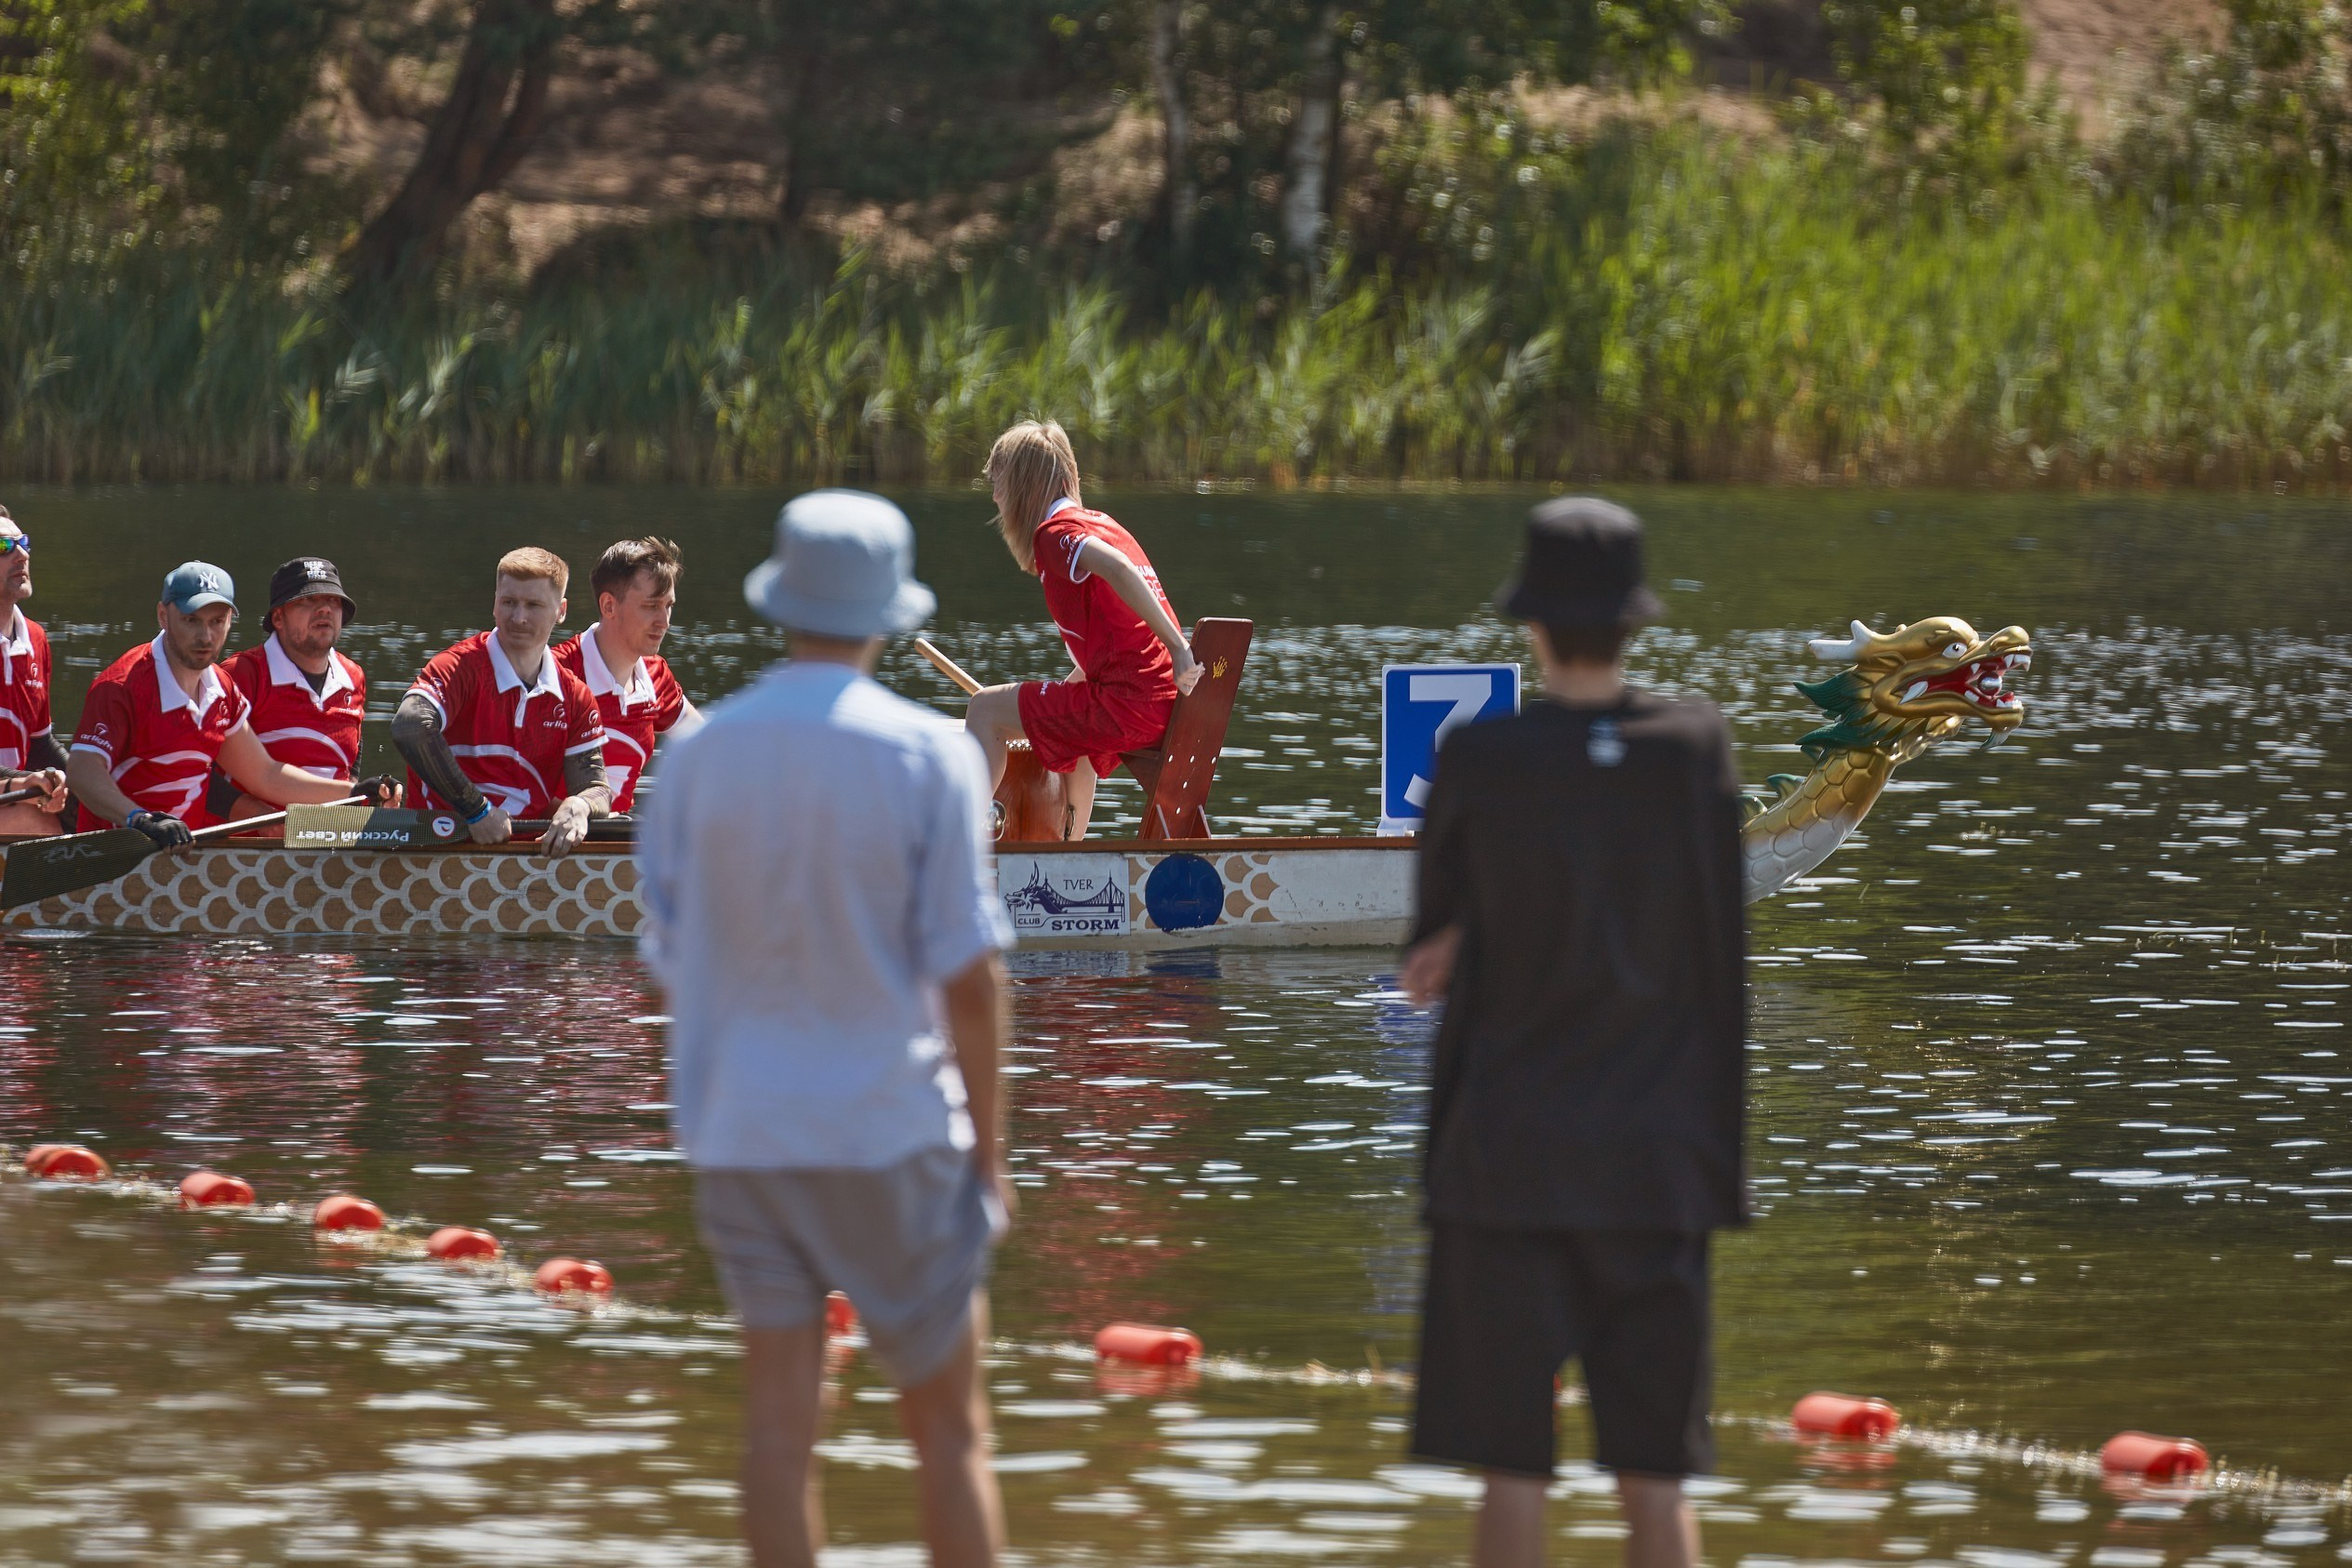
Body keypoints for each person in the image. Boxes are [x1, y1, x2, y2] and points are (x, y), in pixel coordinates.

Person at [639, 490, 1015, 1568]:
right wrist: (991, 1162)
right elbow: (972, 979)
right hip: (891, 1133)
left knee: (776, 1435)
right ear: (891, 615)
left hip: (744, 1137)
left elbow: (670, 966)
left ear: (781, 602)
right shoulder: (931, 755)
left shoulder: (698, 756)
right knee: (950, 1435)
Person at [1398, 498, 1747, 1568]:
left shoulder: (1479, 756)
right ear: (1634, 621)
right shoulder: (1696, 748)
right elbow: (1722, 961)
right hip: (1659, 1167)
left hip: (1504, 1165)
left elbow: (1424, 969)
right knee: (1658, 1481)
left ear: (1533, 625)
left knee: (1511, 1474)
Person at [961, 420, 1201, 840]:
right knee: (1076, 728)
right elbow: (1120, 637)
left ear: (1021, 487)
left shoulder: (1055, 533)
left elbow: (1118, 568)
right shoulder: (1104, 523)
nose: (995, 496)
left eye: (998, 483)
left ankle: (963, 845)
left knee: (984, 710)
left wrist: (1179, 645)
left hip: (1130, 707)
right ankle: (1070, 851)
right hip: (1163, 704)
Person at [66, 563, 379, 846]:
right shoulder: (121, 685)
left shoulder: (222, 689)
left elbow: (265, 775)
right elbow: (82, 771)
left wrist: (356, 793)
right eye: (191, 620)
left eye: (217, 621)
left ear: (230, 621)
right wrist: (139, 819)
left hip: (184, 856)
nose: (205, 636)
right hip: (116, 855)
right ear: (163, 615)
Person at [391, 547, 611, 857]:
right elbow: (410, 726)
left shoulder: (575, 696)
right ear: (495, 603)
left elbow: (596, 788)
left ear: (561, 611)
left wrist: (580, 805)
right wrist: (476, 810)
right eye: (509, 602)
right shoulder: (458, 667)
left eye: (533, 605)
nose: (518, 618)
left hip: (531, 856)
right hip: (438, 850)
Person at [210, 556, 400, 823]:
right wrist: (259, 818)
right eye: (308, 600)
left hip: (327, 833)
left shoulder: (353, 676)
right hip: (248, 840)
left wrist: (365, 793)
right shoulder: (240, 674)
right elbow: (199, 770)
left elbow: (353, 751)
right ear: (278, 617)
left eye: (333, 601)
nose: (324, 610)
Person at [553, 536, 700, 814]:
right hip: (555, 833)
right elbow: (517, 782)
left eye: (668, 606)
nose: (664, 622)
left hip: (619, 832)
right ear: (608, 605)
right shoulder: (555, 673)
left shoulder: (656, 675)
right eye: (651, 606)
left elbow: (708, 745)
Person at [0, 506, 70, 835]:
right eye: (4, 547)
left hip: (13, 796)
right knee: (37, 823)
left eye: (23, 543)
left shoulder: (36, 639)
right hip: (14, 800)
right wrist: (20, 784)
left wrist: (84, 779)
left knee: (99, 807)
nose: (22, 555)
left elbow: (41, 744)